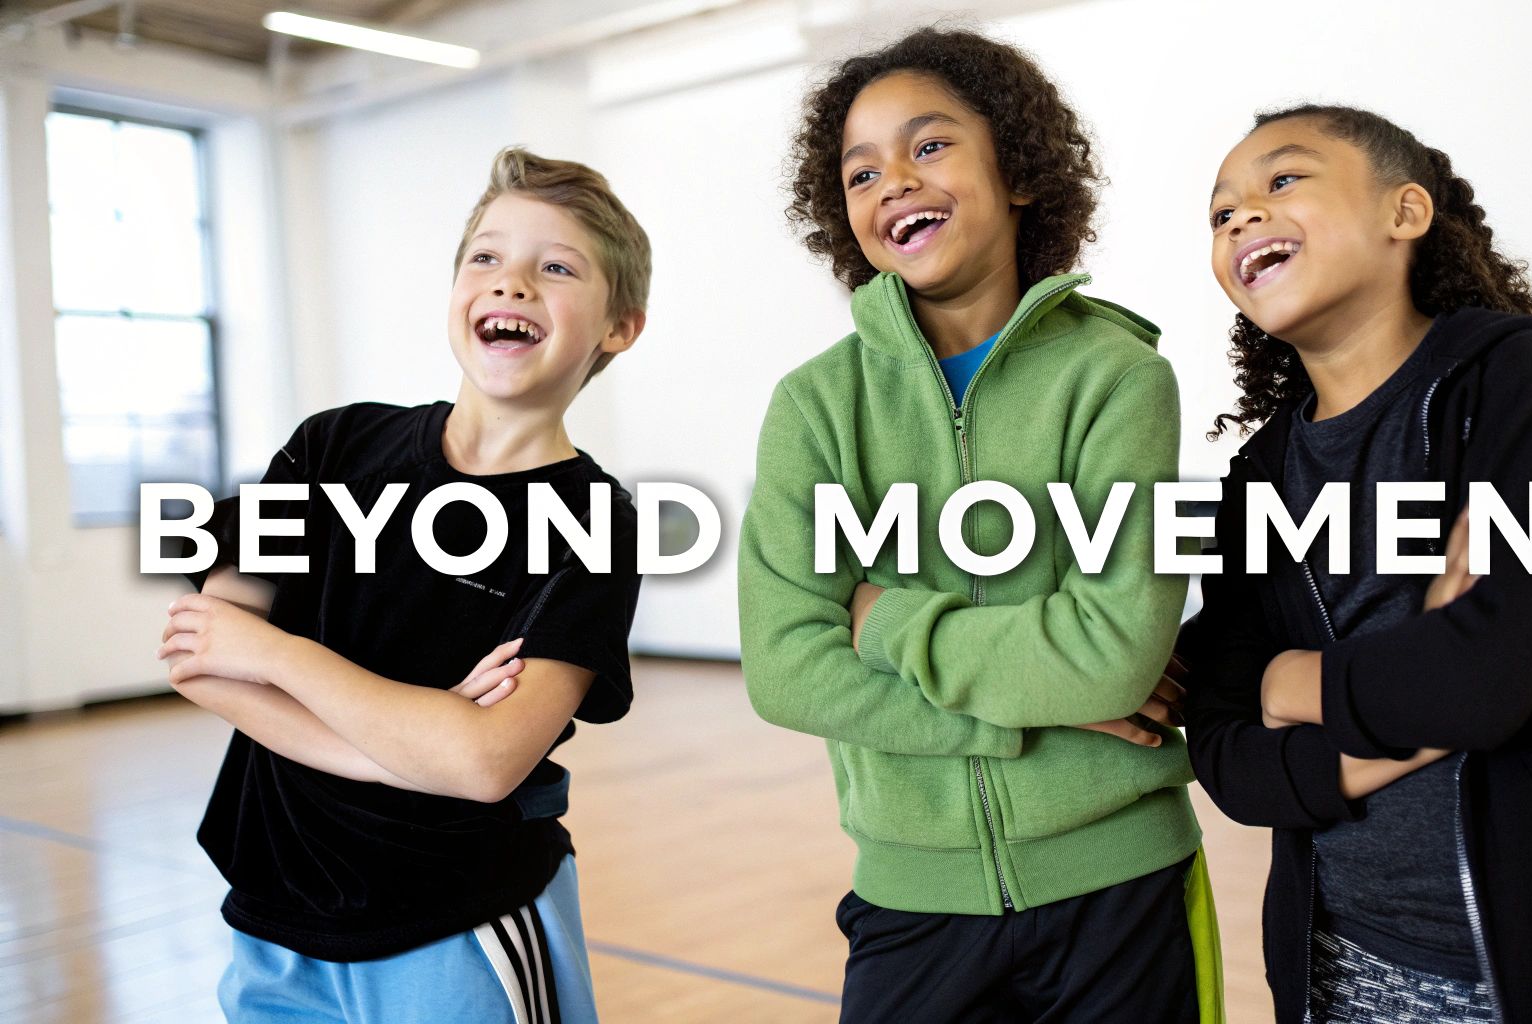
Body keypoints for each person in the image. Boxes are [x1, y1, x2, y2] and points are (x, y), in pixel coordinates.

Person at [1182, 103, 1532, 1023]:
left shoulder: (1511, 383)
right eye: (1220, 213)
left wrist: (1290, 682)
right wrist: (1407, 710)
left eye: (1283, 180)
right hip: (1340, 969)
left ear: (1405, 212)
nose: (1243, 214)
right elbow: (1225, 755)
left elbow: (1488, 678)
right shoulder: (1261, 477)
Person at [740, 26, 1221, 1023]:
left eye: (929, 145)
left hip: (1122, 893)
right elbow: (785, 669)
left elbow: (1111, 659)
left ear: (1019, 172)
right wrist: (1036, 706)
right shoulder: (815, 408)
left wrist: (881, 619)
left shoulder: (1118, 378)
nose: (894, 182)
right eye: (861, 171)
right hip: (911, 898)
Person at [155, 146, 648, 1024]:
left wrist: (278, 655)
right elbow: (201, 657)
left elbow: (485, 764)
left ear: (619, 327)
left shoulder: (593, 522)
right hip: (274, 918)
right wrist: (409, 744)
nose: (511, 282)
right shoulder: (333, 447)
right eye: (486, 257)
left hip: (460, 920)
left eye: (557, 268)